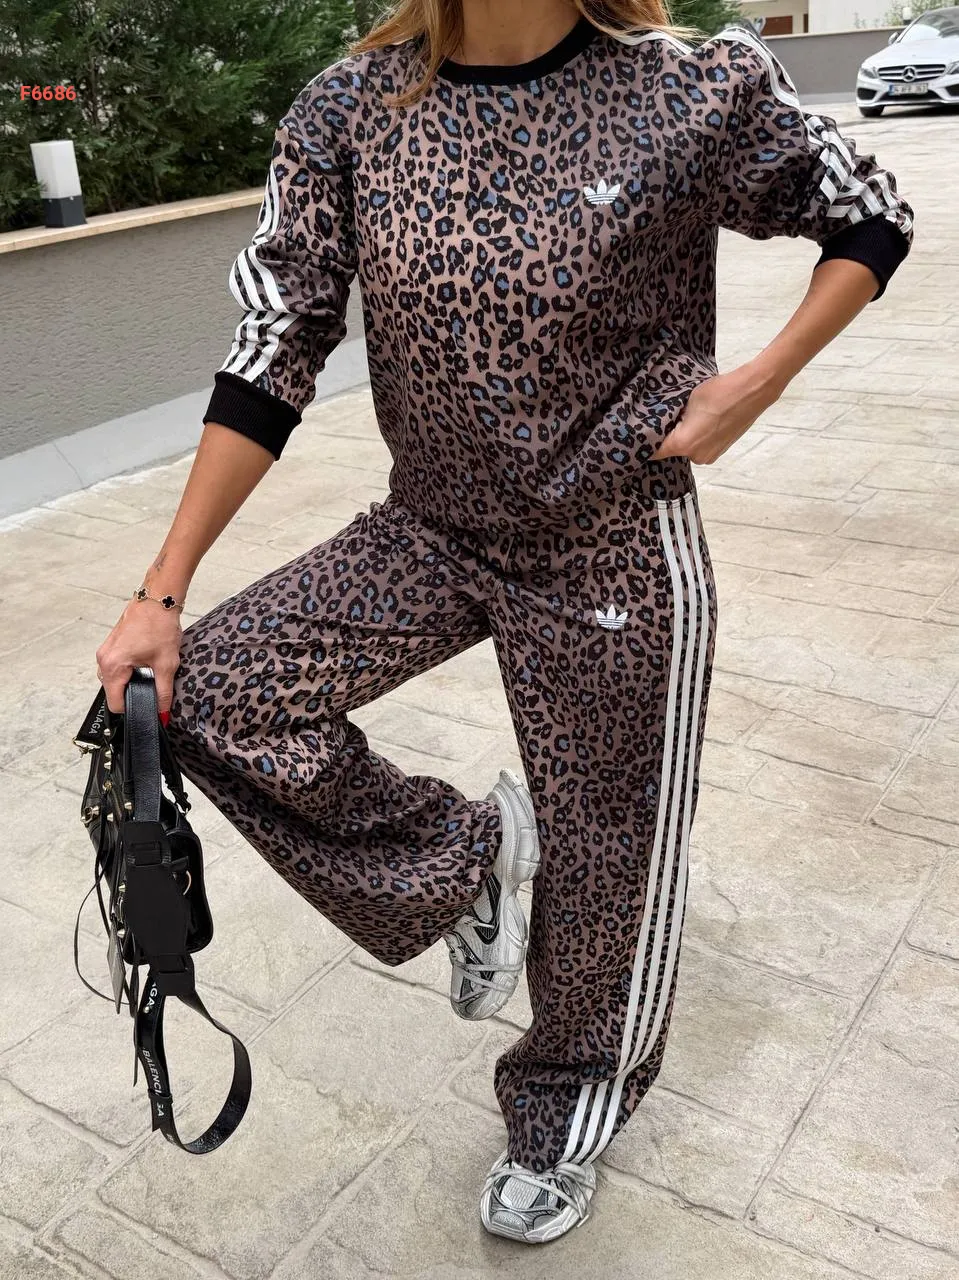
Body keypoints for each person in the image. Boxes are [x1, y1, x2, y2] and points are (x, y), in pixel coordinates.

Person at [94, 0, 914, 1245]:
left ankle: (561, 1109)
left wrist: (758, 378)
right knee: (206, 692)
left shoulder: (690, 88)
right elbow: (274, 345)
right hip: (428, 525)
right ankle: (466, 856)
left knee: (606, 855)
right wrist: (161, 592)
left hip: (610, 539)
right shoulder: (350, 109)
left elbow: (868, 212)